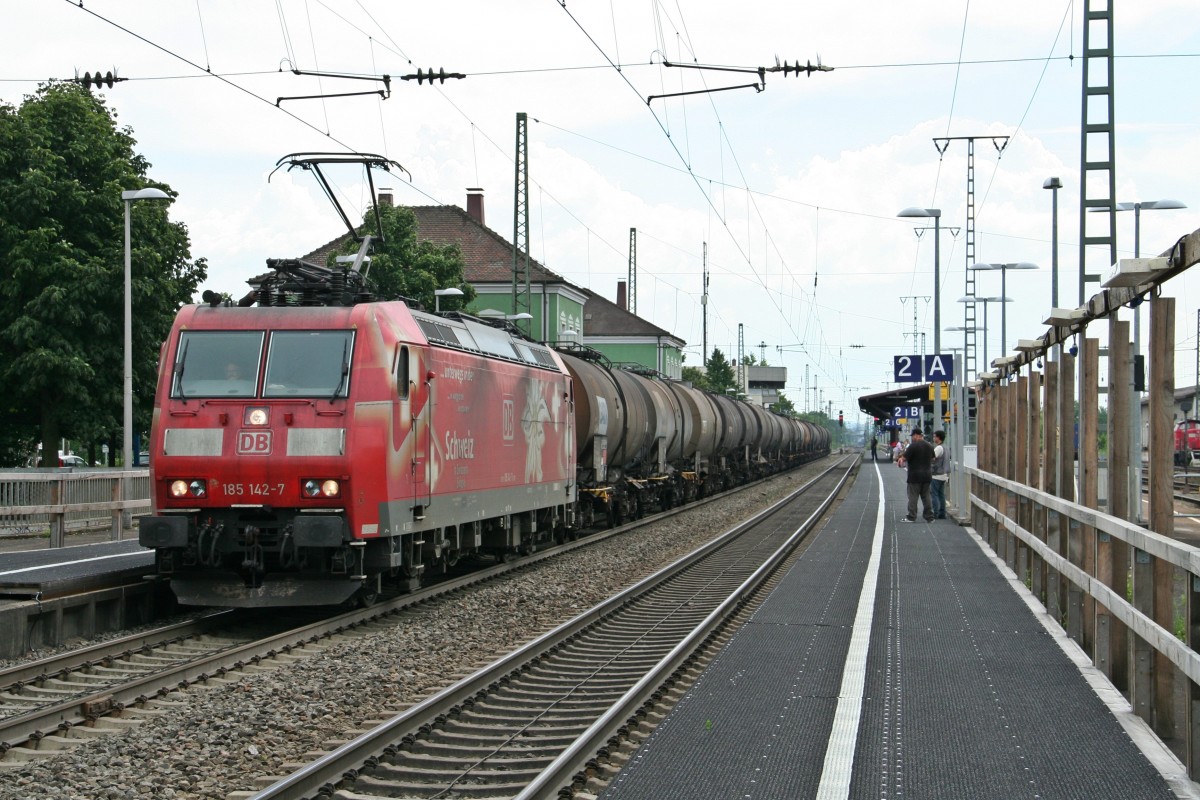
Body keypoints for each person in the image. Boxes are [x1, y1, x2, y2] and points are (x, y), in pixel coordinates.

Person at [897, 427, 935, 522]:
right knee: (926, 497)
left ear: (916, 435)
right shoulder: (929, 446)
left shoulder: (913, 446)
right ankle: (929, 517)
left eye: (913, 436)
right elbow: (933, 459)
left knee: (913, 497)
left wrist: (900, 460)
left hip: (914, 476)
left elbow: (904, 458)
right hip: (927, 475)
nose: (912, 438)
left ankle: (911, 516)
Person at [931, 430, 950, 520]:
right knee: (941, 494)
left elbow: (932, 457)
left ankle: (936, 513)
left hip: (936, 474)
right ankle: (942, 513)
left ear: (938, 438)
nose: (933, 438)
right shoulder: (945, 448)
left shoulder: (938, 448)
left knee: (934, 494)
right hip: (944, 474)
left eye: (934, 436)